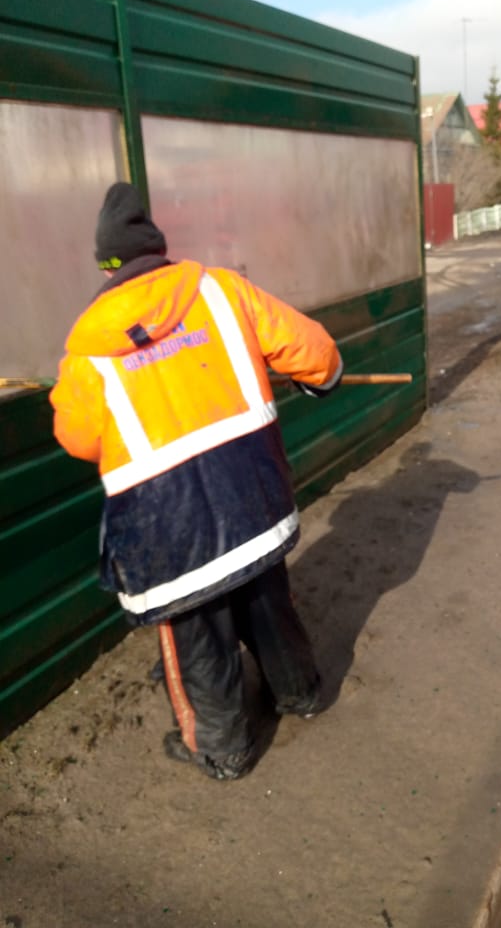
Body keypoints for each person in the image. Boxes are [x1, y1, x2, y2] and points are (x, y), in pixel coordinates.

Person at [50, 182, 343, 782]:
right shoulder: (219, 290)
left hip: (168, 532)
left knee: (197, 639)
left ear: (105, 265)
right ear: (157, 249)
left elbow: (77, 439)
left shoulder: (87, 350)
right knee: (266, 598)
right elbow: (315, 352)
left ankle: (223, 748)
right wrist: (323, 377)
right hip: (253, 499)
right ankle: (302, 693)